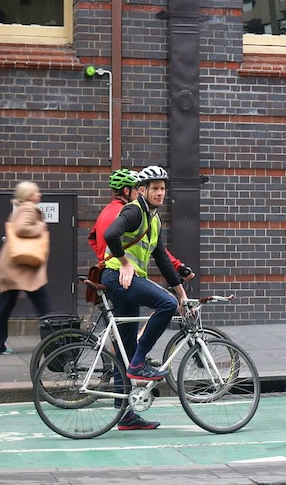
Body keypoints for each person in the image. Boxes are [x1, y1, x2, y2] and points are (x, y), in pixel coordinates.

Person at [102, 165, 188, 430]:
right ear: (142, 190)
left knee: (125, 347)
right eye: (155, 189)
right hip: (119, 277)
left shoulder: (154, 219)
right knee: (166, 304)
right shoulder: (134, 211)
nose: (160, 193)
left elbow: (161, 258)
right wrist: (125, 263)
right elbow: (110, 234)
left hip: (128, 281)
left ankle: (125, 415)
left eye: (163, 188)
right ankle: (140, 363)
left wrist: (182, 293)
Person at [89, 168, 195, 281]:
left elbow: (92, 238)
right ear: (126, 191)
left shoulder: (105, 211)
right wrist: (177, 266)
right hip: (123, 273)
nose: (140, 192)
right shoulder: (129, 213)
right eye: (137, 188)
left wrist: (103, 258)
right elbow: (155, 246)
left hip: (108, 271)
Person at [0, 182, 51, 355]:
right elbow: (22, 228)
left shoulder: (22, 207)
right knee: (44, 306)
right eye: (36, 192)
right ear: (29, 195)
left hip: (16, 267)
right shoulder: (28, 208)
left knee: (5, 306)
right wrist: (40, 227)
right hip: (22, 268)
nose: (39, 195)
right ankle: (55, 344)